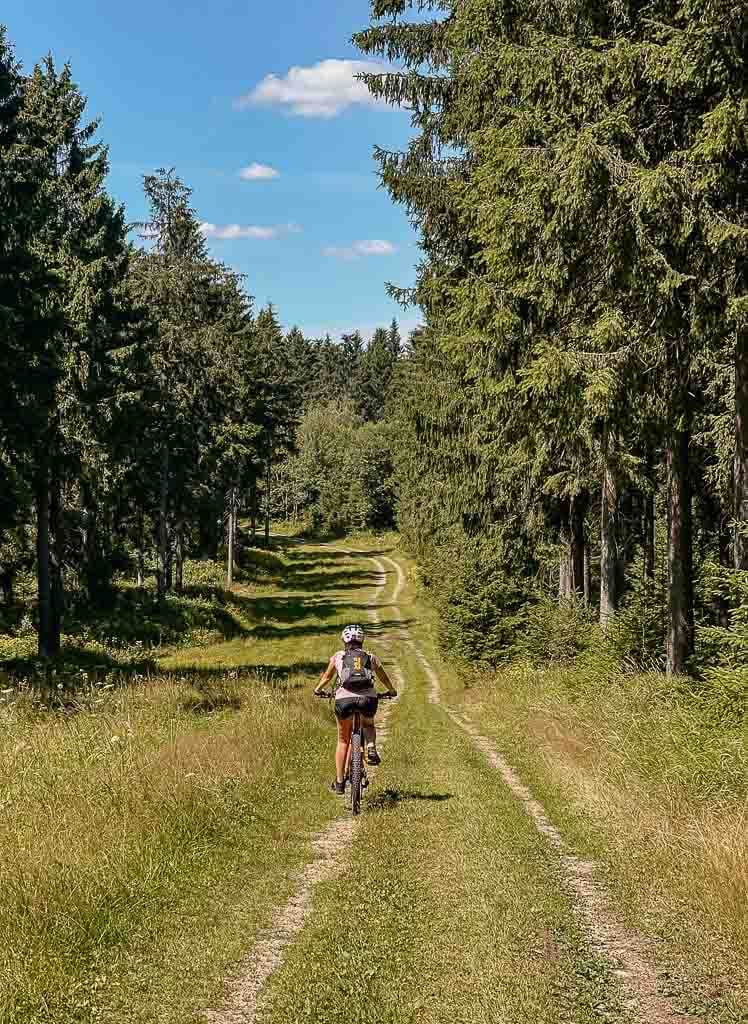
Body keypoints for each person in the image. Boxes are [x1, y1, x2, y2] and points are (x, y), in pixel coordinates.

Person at [315, 624, 397, 795]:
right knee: (368, 725)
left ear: (344, 640)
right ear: (362, 640)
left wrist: (318, 689)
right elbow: (383, 676)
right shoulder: (370, 657)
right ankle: (371, 746)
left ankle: (339, 783)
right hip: (367, 700)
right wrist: (391, 690)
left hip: (344, 702)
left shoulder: (339, 656)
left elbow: (327, 677)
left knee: (343, 740)